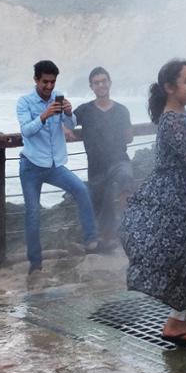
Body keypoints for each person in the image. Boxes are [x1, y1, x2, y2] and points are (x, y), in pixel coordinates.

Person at [120, 59, 186, 345]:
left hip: (184, 198)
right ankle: (175, 323)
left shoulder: (176, 117)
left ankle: (180, 320)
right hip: (181, 202)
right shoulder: (173, 120)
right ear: (170, 87)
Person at [17, 60, 98, 274]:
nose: (49, 87)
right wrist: (44, 116)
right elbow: (26, 131)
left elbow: (70, 126)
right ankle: (35, 264)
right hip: (31, 166)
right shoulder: (24, 102)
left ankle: (91, 241)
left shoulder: (58, 97)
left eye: (53, 82)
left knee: (81, 190)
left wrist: (69, 114)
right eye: (45, 82)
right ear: (36, 80)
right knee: (33, 213)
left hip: (55, 164)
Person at [70, 67, 135, 251]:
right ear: (91, 86)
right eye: (96, 82)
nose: (101, 85)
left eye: (103, 81)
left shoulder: (122, 110)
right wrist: (66, 129)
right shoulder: (85, 110)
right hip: (97, 166)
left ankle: (130, 227)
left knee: (125, 180)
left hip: (119, 160)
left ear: (110, 83)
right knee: (103, 202)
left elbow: (129, 137)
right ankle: (109, 240)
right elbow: (67, 121)